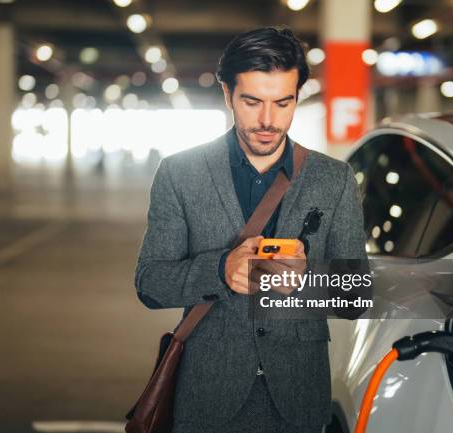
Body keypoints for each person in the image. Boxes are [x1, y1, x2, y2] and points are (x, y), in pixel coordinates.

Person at [134, 26, 368, 433]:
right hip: (207, 394)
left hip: (298, 398)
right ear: (227, 95)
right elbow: (151, 283)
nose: (267, 120)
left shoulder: (334, 179)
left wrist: (304, 281)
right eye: (251, 101)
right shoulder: (180, 173)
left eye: (283, 103)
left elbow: (355, 296)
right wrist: (221, 270)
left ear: (298, 96)